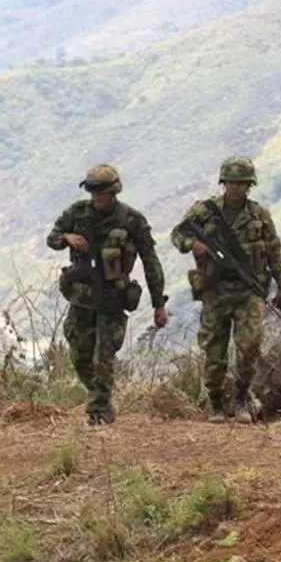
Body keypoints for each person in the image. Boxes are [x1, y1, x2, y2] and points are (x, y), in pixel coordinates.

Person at [170, 156, 281, 424]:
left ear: (249, 185)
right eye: (232, 183)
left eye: (242, 183)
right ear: (224, 183)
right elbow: (178, 235)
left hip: (247, 292)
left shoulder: (259, 216)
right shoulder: (205, 211)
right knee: (215, 350)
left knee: (249, 346)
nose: (236, 188)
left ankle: (240, 398)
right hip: (215, 291)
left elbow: (274, 251)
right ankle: (214, 401)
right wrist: (194, 245)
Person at [46, 164, 169, 425]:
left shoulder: (131, 221)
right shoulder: (77, 214)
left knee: (104, 356)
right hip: (81, 296)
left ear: (113, 192)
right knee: (80, 355)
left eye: (101, 192)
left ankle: (99, 412)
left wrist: (159, 303)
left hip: (113, 296)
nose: (96, 197)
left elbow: (151, 262)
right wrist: (67, 237)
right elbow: (52, 238)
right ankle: (101, 396)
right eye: (93, 192)